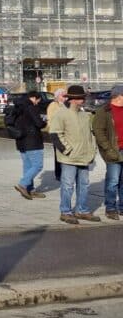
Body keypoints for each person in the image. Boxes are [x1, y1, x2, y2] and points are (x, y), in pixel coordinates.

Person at [49, 84, 100, 224]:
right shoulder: (61, 113)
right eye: (80, 98)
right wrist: (67, 150)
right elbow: (54, 134)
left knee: (84, 185)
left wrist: (92, 150)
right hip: (69, 158)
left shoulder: (85, 115)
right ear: (72, 99)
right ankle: (65, 212)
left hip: (84, 157)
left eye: (82, 97)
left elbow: (90, 135)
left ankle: (82, 210)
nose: (82, 100)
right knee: (67, 185)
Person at [92, 84, 123, 220]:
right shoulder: (104, 111)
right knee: (113, 181)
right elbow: (99, 132)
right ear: (118, 96)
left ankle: (122, 207)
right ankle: (110, 208)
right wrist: (108, 149)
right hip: (113, 150)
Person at [13, 92, 48, 200]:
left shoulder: (18, 107)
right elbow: (39, 124)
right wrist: (44, 120)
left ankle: (30, 190)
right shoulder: (30, 107)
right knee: (38, 165)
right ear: (33, 98)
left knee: (28, 166)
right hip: (32, 141)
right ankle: (23, 184)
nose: (38, 103)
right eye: (38, 100)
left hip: (21, 141)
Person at [46, 87, 68, 180]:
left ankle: (66, 172)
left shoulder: (66, 105)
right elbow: (50, 119)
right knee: (58, 153)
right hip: (57, 133)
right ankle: (59, 174)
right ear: (58, 96)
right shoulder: (53, 105)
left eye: (66, 96)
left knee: (66, 152)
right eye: (63, 96)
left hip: (67, 133)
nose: (65, 97)